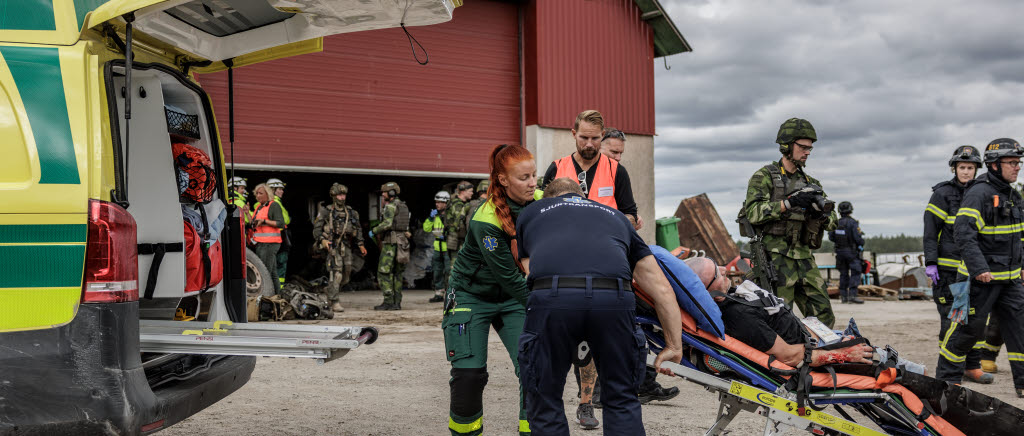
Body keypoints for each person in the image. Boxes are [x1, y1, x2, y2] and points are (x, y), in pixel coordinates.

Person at [515, 177, 683, 436]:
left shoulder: (531, 213)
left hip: (554, 298)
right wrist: (674, 345)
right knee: (621, 398)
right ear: (583, 196)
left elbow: (530, 271)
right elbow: (661, 288)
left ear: (548, 198)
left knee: (544, 398)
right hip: (612, 300)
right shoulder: (616, 217)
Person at [684, 257, 925, 372]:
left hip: (820, 339)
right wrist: (842, 354)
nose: (726, 269)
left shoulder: (732, 299)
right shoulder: (739, 317)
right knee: (901, 369)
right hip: (818, 352)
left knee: (897, 363)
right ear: (711, 291)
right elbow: (788, 356)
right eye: (718, 272)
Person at [443, 144, 537, 436]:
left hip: (512, 299)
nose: (533, 183)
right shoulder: (486, 219)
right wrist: (547, 306)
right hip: (473, 296)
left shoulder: (543, 201)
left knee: (535, 365)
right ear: (504, 180)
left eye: (534, 175)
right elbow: (510, 277)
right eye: (524, 178)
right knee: (469, 375)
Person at [938, 138, 1024, 398]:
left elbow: (1019, 236)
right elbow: (963, 234)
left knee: (1020, 330)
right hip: (978, 281)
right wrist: (978, 268)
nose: (1017, 167)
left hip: (1009, 281)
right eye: (1012, 162)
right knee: (966, 331)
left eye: (1018, 163)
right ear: (995, 165)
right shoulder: (978, 193)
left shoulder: (1013, 194)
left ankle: (1022, 383)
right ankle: (947, 383)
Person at [739, 117, 838, 328]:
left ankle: (816, 354)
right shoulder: (764, 177)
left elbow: (833, 221)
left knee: (824, 314)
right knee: (781, 316)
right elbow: (754, 212)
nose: (807, 152)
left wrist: (820, 215)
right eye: (802, 147)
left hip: (803, 256)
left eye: (810, 148)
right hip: (775, 257)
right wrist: (788, 203)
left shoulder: (812, 184)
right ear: (786, 146)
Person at [923, 145, 994, 384]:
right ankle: (950, 371)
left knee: (975, 319)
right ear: (955, 168)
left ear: (977, 169)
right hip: (948, 271)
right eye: (962, 167)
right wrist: (931, 262)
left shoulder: (982, 193)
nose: (966, 171)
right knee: (952, 320)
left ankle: (972, 366)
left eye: (970, 167)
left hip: (973, 270)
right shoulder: (942, 194)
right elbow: (931, 232)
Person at [540, 110, 640, 230]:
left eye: (595, 138)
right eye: (584, 138)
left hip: (605, 243)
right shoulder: (556, 168)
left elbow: (630, 214)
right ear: (574, 134)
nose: (589, 144)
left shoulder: (617, 171)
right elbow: (542, 211)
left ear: (602, 135)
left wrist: (621, 224)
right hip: (565, 242)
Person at [312, 183, 366, 312]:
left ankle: (330, 291)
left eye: (344, 195)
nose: (342, 197)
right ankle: (335, 301)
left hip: (346, 246)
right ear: (333, 196)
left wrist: (361, 244)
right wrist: (322, 240)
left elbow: (358, 229)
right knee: (336, 274)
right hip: (332, 245)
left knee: (346, 274)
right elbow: (316, 229)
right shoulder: (326, 211)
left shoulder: (351, 212)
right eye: (339, 195)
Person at [370, 181, 410, 311]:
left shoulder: (391, 206)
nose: (382, 194)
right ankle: (397, 302)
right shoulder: (403, 206)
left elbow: (387, 224)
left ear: (391, 193)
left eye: (384, 192)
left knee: (383, 272)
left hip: (391, 244)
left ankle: (388, 301)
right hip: (402, 243)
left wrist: (374, 230)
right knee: (398, 273)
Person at [600, 127, 644, 230]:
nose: (618, 158)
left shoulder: (619, 172)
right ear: (598, 147)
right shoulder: (572, 167)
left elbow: (629, 210)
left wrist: (631, 219)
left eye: (621, 153)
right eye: (614, 152)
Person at [251, 183, 285, 293]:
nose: (257, 196)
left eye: (260, 193)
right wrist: (247, 213)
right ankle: (277, 295)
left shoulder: (273, 205)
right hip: (261, 243)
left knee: (265, 272)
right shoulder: (259, 207)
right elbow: (254, 223)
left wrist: (264, 221)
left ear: (268, 194)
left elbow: (280, 223)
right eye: (256, 193)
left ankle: (266, 296)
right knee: (273, 272)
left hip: (270, 244)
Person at [829, 201, 865, 304]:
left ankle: (844, 296)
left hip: (840, 252)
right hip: (851, 252)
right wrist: (862, 243)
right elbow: (858, 238)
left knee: (843, 274)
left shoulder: (836, 222)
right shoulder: (852, 223)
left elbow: (831, 237)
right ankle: (852, 296)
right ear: (850, 210)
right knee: (855, 272)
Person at [259, 178, 291, 287]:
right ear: (272, 190)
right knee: (279, 265)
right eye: (279, 189)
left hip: (270, 241)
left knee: (272, 266)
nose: (282, 191)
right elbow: (285, 220)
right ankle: (278, 290)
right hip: (276, 240)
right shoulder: (275, 203)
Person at [425, 190, 452, 303]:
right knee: (437, 272)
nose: (437, 204)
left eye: (440, 202)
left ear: (446, 203)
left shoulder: (450, 215)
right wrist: (431, 218)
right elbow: (426, 228)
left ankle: (450, 294)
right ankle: (438, 294)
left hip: (448, 248)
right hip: (437, 247)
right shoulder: (434, 215)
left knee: (449, 272)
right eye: (436, 202)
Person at [445, 181, 475, 267]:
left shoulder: (461, 203)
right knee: (455, 266)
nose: (472, 193)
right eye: (470, 191)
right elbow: (457, 223)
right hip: (455, 240)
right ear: (463, 191)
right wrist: (466, 208)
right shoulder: (457, 204)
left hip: (459, 239)